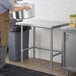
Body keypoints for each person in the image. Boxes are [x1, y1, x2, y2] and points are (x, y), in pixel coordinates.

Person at [0, 0, 31, 71]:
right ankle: (1, 66)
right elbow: (14, 9)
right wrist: (24, 7)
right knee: (3, 43)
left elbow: (8, 4)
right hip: (1, 22)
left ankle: (2, 63)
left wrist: (15, 4)